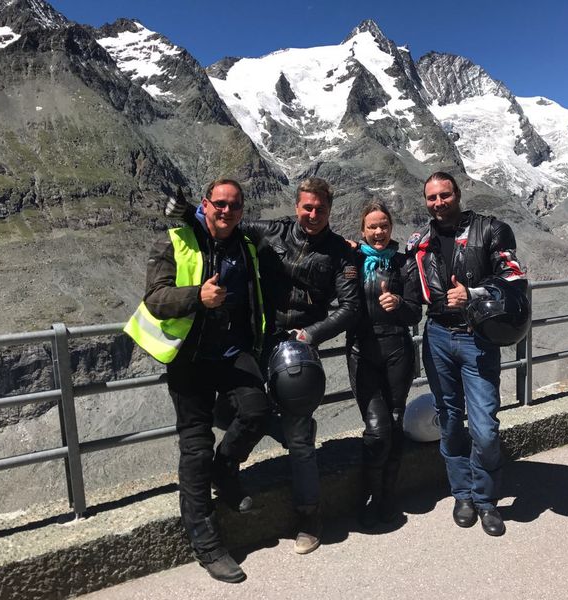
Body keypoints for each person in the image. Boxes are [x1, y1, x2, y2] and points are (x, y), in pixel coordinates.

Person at [168, 176, 360, 554]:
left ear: (330, 210)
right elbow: (224, 223)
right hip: (257, 341)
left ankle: (309, 515)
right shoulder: (270, 232)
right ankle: (272, 434)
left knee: (301, 438)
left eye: (320, 209)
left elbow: (351, 306)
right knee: (232, 410)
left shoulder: (340, 253)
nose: (313, 214)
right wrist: (187, 213)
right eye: (307, 207)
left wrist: (311, 334)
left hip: (298, 346)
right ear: (296, 206)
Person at [125, 178, 272, 583]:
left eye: (235, 206)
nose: (226, 212)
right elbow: (155, 297)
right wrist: (197, 297)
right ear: (205, 204)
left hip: (232, 353)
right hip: (189, 358)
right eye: (219, 204)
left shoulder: (245, 243)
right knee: (195, 448)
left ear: (242, 210)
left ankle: (225, 471)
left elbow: (289, 233)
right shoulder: (175, 241)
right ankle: (207, 545)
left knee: (257, 411)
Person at [406, 171, 526, 537]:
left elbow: (513, 274)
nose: (438, 202)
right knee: (449, 418)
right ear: (425, 201)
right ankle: (462, 494)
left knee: (485, 427)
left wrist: (473, 293)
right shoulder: (419, 241)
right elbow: (406, 281)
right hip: (438, 335)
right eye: (432, 197)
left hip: (478, 337)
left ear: (458, 194)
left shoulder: (490, 229)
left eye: (444, 195)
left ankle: (487, 499)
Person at [346, 200, 422, 528]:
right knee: (377, 430)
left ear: (391, 227)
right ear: (362, 231)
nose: (378, 231)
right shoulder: (351, 258)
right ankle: (368, 494)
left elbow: (416, 312)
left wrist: (399, 303)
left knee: (393, 423)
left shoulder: (404, 263)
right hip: (362, 352)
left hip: (397, 351)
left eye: (384, 225)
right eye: (372, 227)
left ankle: (385, 497)